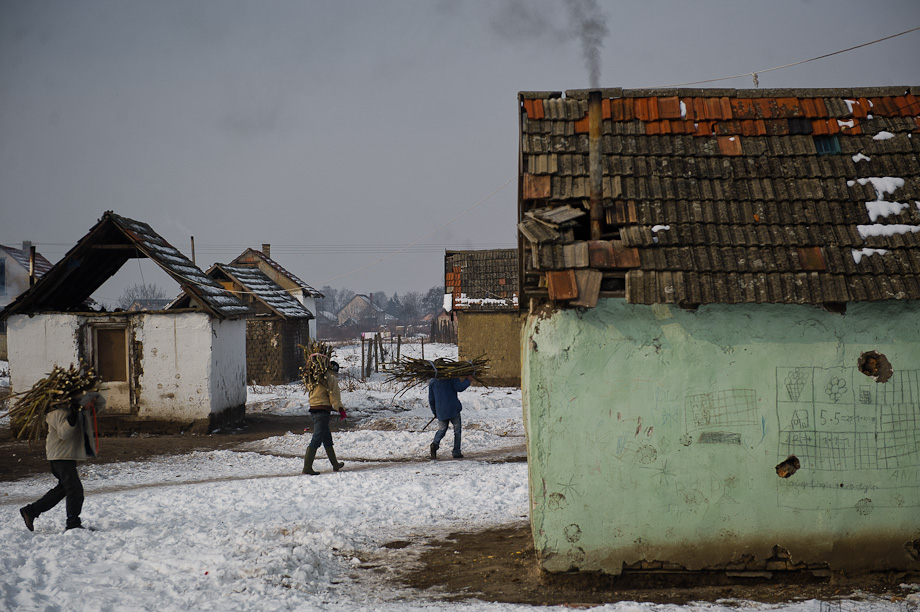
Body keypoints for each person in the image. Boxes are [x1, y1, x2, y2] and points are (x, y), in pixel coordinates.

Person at [20, 391, 105, 532]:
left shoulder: (82, 411)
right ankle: (73, 523)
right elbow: (64, 434)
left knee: (63, 489)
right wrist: (73, 415)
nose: (92, 404)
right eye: (90, 401)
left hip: (66, 457)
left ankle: (30, 511)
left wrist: (92, 394)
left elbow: (101, 404)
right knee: (75, 490)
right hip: (59, 457)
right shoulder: (58, 413)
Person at [303, 359, 346, 475]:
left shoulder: (314, 377)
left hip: (314, 409)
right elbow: (334, 396)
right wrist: (340, 409)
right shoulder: (329, 378)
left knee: (327, 439)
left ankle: (335, 464)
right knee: (316, 439)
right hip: (322, 412)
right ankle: (307, 467)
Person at [428, 374, 472, 459]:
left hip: (441, 410)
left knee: (442, 429)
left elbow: (431, 399)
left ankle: (435, 444)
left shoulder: (433, 382)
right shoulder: (452, 377)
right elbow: (459, 388)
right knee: (457, 431)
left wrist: (435, 412)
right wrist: (468, 380)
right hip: (453, 408)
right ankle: (456, 452)